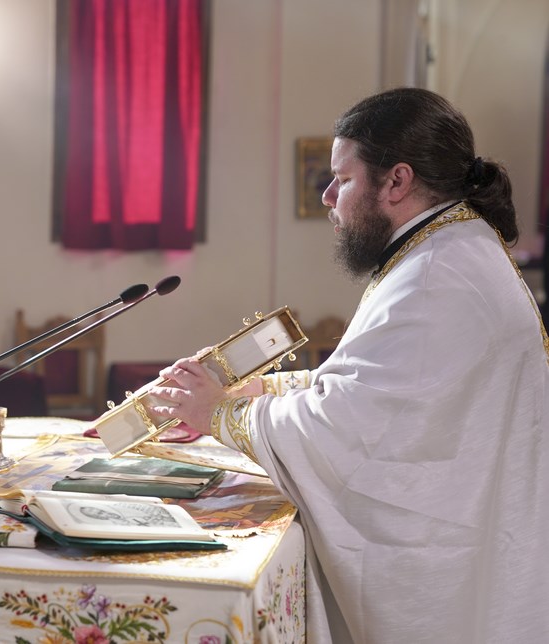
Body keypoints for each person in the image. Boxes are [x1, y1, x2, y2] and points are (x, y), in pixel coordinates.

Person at [149, 87, 549, 643]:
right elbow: (373, 384)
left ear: (397, 181)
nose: (328, 196)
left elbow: (351, 431)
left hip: (452, 564)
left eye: (342, 179)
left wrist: (218, 414)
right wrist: (256, 390)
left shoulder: (436, 275)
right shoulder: (448, 246)